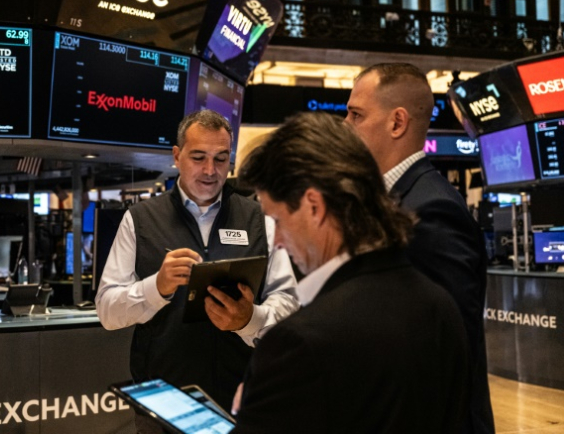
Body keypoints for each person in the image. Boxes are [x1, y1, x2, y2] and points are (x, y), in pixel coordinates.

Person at [233, 112, 469, 433]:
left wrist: (258, 405)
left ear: (313, 206)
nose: (276, 241)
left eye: (277, 219)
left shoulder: (298, 343)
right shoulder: (440, 306)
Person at [95, 110, 299, 429]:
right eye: (198, 157)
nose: (210, 170)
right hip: (163, 404)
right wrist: (155, 287)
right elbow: (107, 311)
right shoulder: (140, 220)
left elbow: (288, 305)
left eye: (220, 158)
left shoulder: (260, 219)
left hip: (240, 400)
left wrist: (250, 319)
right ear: (177, 156)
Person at [345, 62, 494, 434]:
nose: (346, 125)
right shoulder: (389, 199)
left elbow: (444, 350)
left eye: (356, 114)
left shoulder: (431, 209)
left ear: (397, 123)